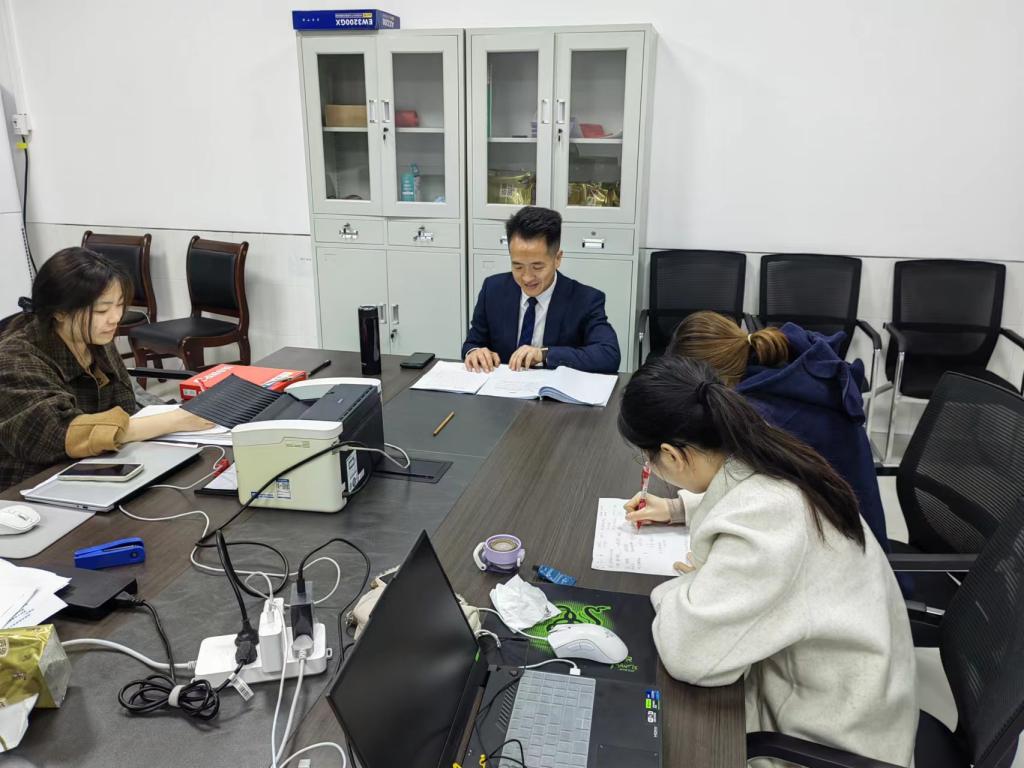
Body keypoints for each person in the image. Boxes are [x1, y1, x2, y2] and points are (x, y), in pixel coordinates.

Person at [619, 356, 916, 767]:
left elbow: (689, 653)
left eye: (648, 460)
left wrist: (688, 586)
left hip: (833, 739)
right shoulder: (761, 444)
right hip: (845, 685)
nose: (651, 469)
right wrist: (677, 508)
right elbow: (740, 495)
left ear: (672, 455)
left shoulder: (768, 518)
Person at [669, 311, 888, 550]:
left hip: (842, 547)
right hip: (843, 525)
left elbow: (748, 498)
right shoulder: (781, 373)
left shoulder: (762, 415)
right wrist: (677, 508)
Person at [0, 247, 214, 490]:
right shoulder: (14, 359)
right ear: (59, 311)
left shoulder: (92, 336)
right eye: (101, 310)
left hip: (99, 464)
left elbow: (126, 401)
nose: (115, 318)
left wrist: (177, 413)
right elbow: (60, 434)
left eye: (119, 305)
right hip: (31, 485)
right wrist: (172, 421)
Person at [462, 206, 620, 374]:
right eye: (518, 266)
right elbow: (472, 343)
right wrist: (475, 352)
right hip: (501, 387)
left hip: (553, 390)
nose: (527, 278)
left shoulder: (585, 300)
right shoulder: (493, 290)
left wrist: (544, 354)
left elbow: (608, 355)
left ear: (557, 258)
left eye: (537, 267)